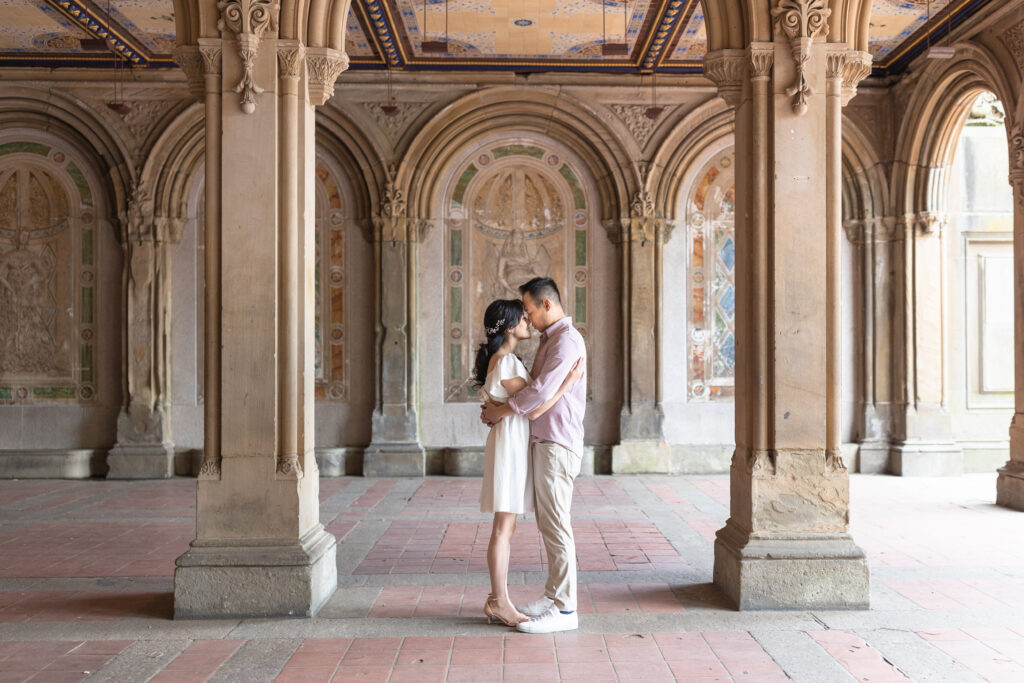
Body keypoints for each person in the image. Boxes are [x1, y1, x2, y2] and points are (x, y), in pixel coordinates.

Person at [482, 277, 587, 634]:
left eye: (529, 310)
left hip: (556, 441)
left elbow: (538, 396)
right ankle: (554, 596)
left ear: (546, 305)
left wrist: (503, 410)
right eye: (521, 314)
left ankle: (566, 609)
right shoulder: (549, 341)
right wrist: (502, 410)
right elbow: (535, 397)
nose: (527, 317)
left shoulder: (566, 342)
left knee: (556, 523)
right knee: (548, 522)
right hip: (541, 440)